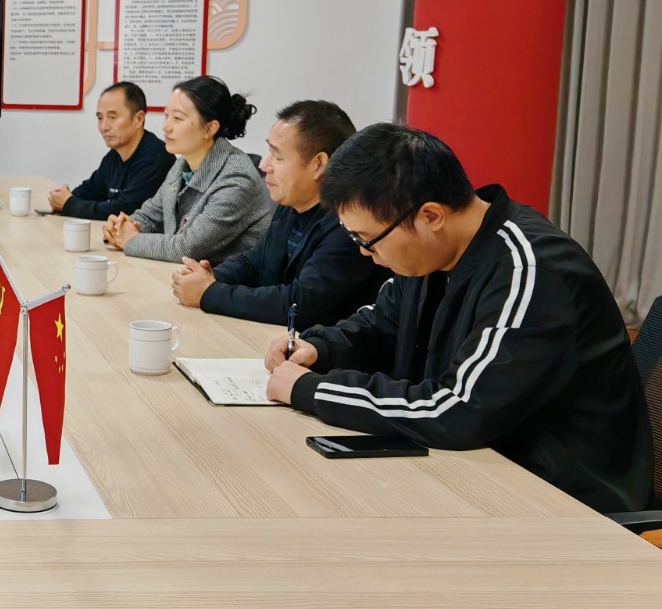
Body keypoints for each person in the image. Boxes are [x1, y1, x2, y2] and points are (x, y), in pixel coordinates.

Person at [263, 123, 651, 512]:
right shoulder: (430, 254)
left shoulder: (531, 269)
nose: (365, 253)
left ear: (431, 216)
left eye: (367, 239)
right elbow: (380, 324)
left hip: (563, 500)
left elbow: (458, 410)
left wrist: (313, 390)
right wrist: (321, 348)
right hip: (474, 470)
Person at [170, 100, 386, 327]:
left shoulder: (349, 226)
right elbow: (253, 262)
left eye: (278, 156)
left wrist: (210, 292)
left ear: (319, 164)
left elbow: (299, 304)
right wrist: (209, 276)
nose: (265, 165)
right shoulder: (291, 205)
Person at [103, 75, 271, 264]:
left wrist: (130, 239)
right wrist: (122, 227)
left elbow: (188, 248)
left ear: (209, 128)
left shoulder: (237, 179)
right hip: (181, 275)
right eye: (166, 115)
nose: (166, 126)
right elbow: (152, 214)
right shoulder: (183, 164)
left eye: (177, 118)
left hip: (223, 280)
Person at [45, 81, 174, 219]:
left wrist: (69, 204)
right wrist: (63, 198)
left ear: (138, 119)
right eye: (100, 118)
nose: (104, 126)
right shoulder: (114, 156)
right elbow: (89, 191)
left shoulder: (156, 156)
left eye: (112, 117)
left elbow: (127, 210)